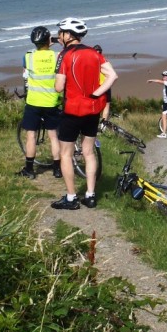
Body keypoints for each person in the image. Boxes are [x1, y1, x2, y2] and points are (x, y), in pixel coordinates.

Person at [51, 17, 117, 210]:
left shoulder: (64, 55)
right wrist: (97, 93)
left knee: (65, 154)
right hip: (93, 110)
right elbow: (112, 75)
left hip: (72, 110)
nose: (58, 37)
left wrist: (56, 82)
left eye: (60, 33)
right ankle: (90, 195)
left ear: (68, 35)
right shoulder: (94, 53)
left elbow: (58, 87)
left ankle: (71, 198)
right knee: (88, 152)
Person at [19, 26, 62, 179]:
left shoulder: (28, 56)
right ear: (49, 40)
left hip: (33, 102)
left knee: (31, 135)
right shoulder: (58, 56)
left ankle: (29, 170)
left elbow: (25, 71)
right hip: (51, 102)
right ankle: (57, 169)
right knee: (53, 136)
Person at [148, 70, 167, 137]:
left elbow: (159, 81)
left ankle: (164, 133)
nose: (163, 78)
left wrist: (151, 80)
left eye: (164, 76)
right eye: (163, 76)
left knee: (163, 116)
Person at [93, 45, 112, 122]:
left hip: (95, 86)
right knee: (106, 105)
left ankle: (94, 123)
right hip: (106, 85)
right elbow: (111, 74)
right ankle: (103, 125)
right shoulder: (105, 61)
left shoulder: (91, 62)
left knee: (95, 105)